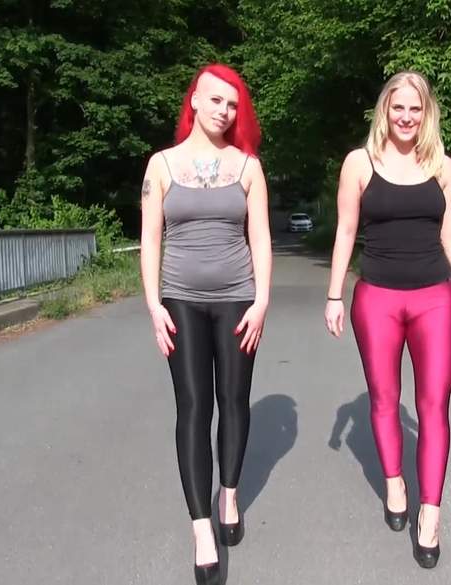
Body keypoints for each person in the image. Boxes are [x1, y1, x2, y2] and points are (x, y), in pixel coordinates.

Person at [324, 71, 451, 569]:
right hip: (377, 298)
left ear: (426, 113)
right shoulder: (360, 163)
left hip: (435, 297)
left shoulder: (443, 167)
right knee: (384, 398)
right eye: (398, 108)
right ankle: (394, 481)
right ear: (385, 110)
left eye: (415, 108)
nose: (407, 117)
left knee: (434, 405)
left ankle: (430, 514)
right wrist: (334, 295)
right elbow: (346, 230)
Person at [140, 63, 271, 585]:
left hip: (238, 299)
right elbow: (151, 238)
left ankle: (229, 494)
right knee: (194, 406)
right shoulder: (162, 166)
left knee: (233, 400)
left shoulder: (247, 167)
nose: (224, 110)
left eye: (232, 104)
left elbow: (260, 237)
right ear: (194, 100)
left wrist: (262, 301)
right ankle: (201, 530)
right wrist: (153, 304)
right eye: (215, 100)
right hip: (180, 301)